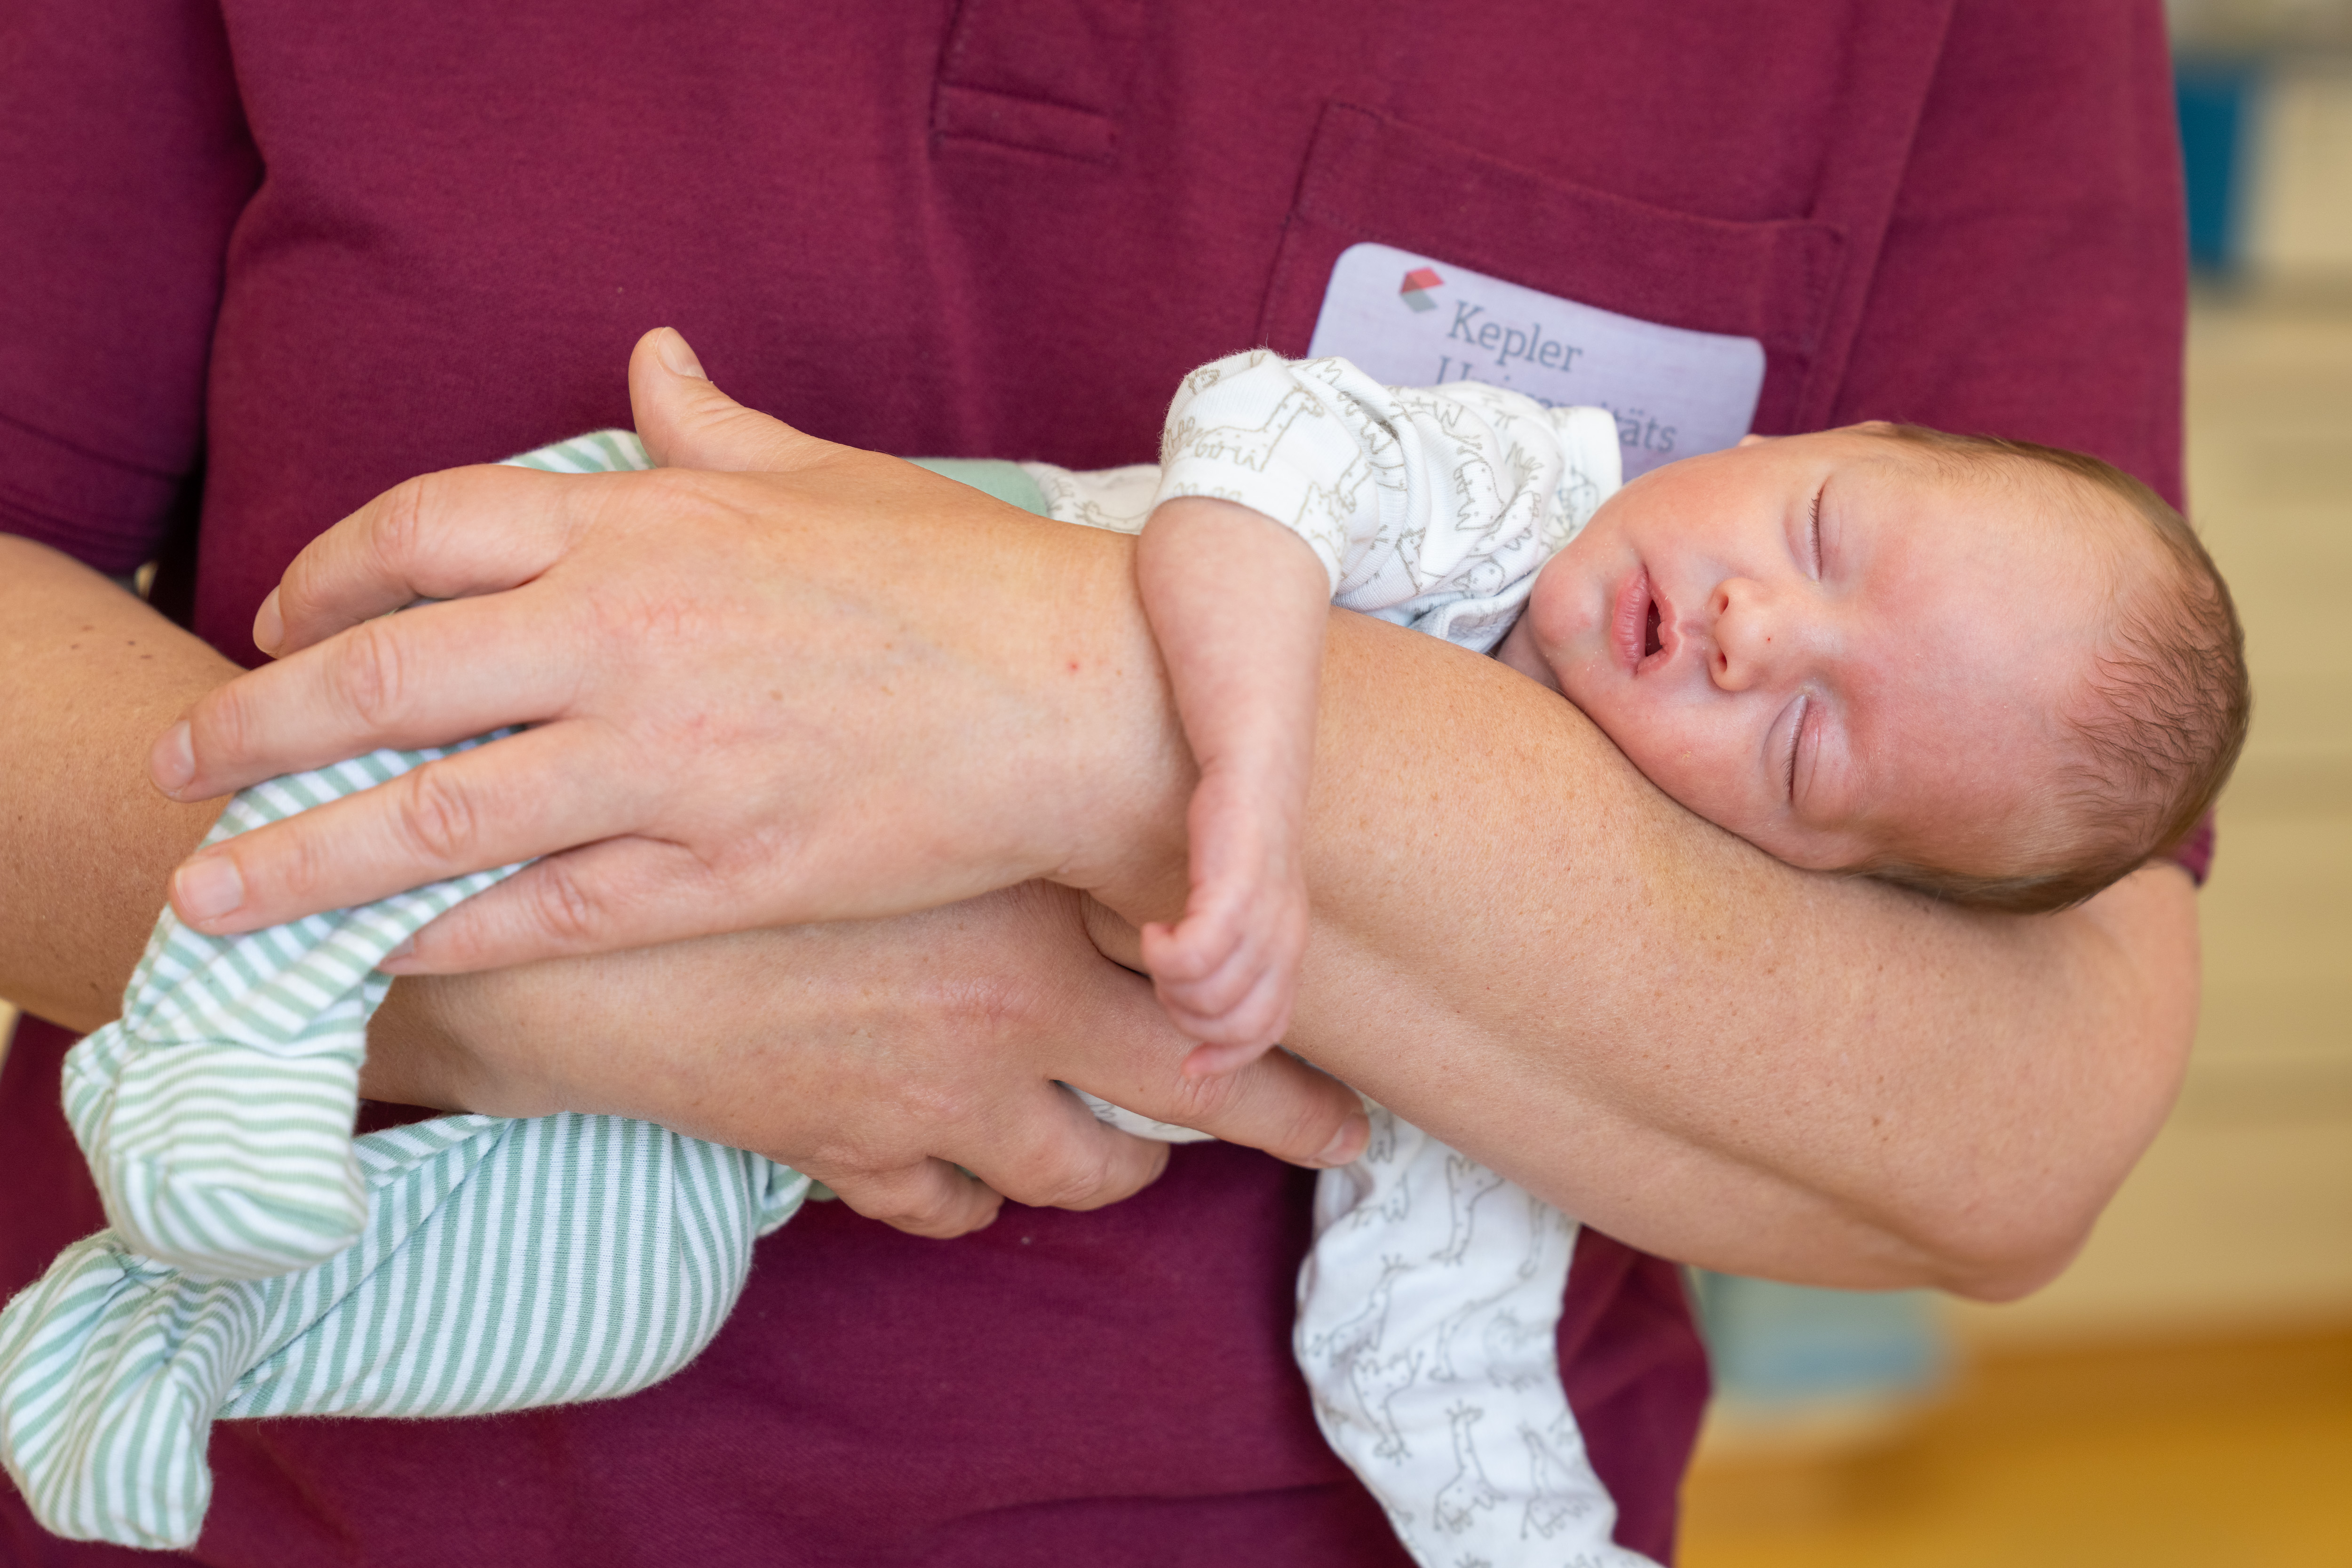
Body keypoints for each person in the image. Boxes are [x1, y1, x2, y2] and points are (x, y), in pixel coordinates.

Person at [0, 2, 2204, 1562]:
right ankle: (228, 1081)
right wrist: (511, 977)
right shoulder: (1508, 492)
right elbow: (1286, 452)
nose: (1752, 639)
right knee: (422, 788)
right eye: (1813, 546)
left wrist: (1053, 714)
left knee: (568, 1280)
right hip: (346, 1487)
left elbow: (2002, 1131)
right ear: (1827, 457)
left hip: (810, 1277)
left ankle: (169, 1333)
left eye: (1811, 748)